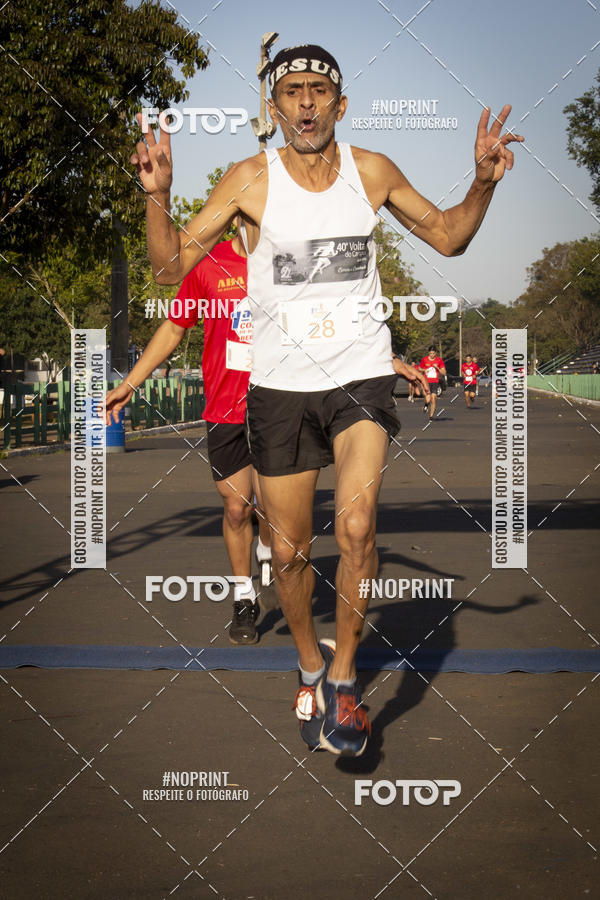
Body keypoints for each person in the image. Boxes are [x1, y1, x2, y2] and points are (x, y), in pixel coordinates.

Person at [132, 43, 521, 756]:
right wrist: (157, 195)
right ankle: (309, 662)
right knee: (287, 556)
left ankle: (344, 679)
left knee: (357, 527)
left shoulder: (371, 172)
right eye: (293, 92)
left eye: (319, 90)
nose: (306, 102)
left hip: (359, 376)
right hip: (279, 387)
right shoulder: (248, 180)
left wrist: (484, 181)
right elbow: (167, 269)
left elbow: (448, 236)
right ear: (275, 109)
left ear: (340, 105)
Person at [104, 226, 273, 645]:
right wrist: (131, 382)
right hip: (225, 408)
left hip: (279, 407)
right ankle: (244, 598)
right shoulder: (207, 268)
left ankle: (269, 545)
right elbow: (174, 328)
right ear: (234, 218)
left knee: (273, 508)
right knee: (237, 508)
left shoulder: (285, 263)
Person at [419, 347, 446, 420]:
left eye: (433, 353)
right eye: (430, 353)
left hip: (435, 382)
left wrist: (437, 368)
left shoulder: (439, 360)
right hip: (426, 382)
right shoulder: (424, 359)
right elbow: (419, 368)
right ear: (428, 353)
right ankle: (426, 405)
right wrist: (424, 370)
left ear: (436, 353)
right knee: (428, 399)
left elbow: (444, 373)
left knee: (433, 398)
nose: (432, 355)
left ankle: (431, 416)